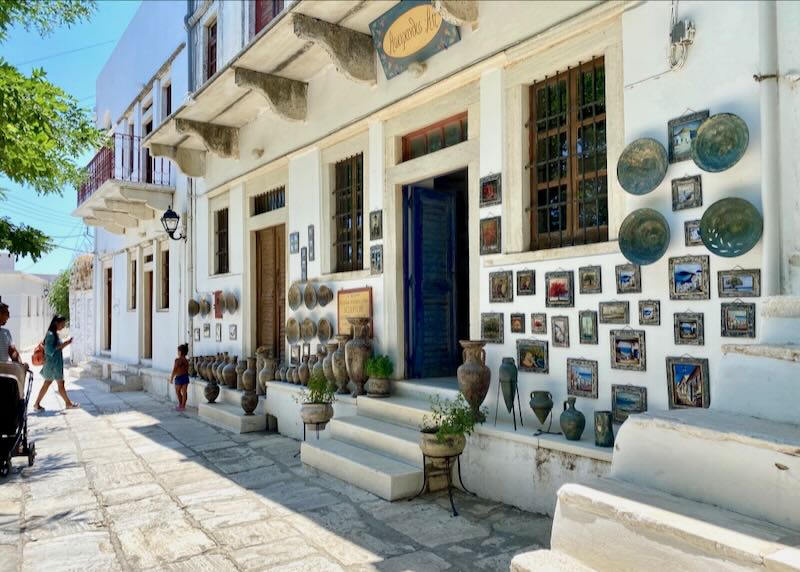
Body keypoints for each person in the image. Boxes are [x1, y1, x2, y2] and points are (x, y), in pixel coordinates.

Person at [33, 315, 79, 411]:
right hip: (53, 365)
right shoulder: (50, 335)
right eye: (62, 324)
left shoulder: (54, 334)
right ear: (56, 323)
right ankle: (68, 403)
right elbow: (49, 350)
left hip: (54, 364)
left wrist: (66, 343)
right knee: (59, 384)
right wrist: (65, 343)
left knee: (49, 383)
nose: (63, 326)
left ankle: (37, 404)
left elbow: (57, 348)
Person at [0, 303, 28, 397]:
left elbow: (13, 353)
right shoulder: (5, 333)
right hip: (3, 374)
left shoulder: (5, 333)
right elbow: (13, 353)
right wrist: (21, 366)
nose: (8, 317)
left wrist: (20, 365)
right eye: (6, 313)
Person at [169, 343, 190, 411]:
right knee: (184, 392)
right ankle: (183, 405)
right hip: (185, 377)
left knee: (178, 392)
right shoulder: (186, 361)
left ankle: (180, 404)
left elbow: (174, 370)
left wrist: (172, 378)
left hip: (179, 378)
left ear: (180, 352)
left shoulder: (177, 360)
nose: (177, 352)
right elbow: (187, 369)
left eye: (178, 351)